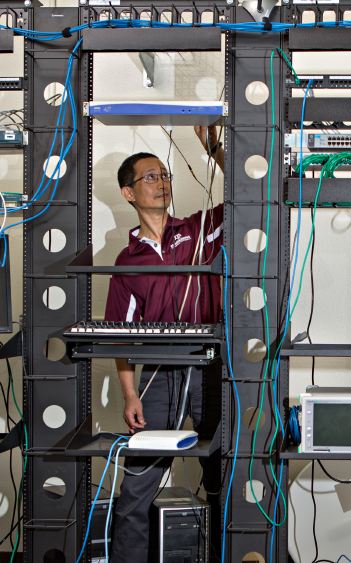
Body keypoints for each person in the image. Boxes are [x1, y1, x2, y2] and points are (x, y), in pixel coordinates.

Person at [104, 125, 226, 563]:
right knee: (138, 486)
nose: (161, 183)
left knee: (222, 477)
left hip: (210, 369)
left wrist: (213, 150)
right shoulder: (127, 261)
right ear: (128, 193)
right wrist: (130, 394)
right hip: (158, 375)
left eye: (164, 175)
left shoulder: (198, 232)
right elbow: (119, 332)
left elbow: (250, 196)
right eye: (150, 177)